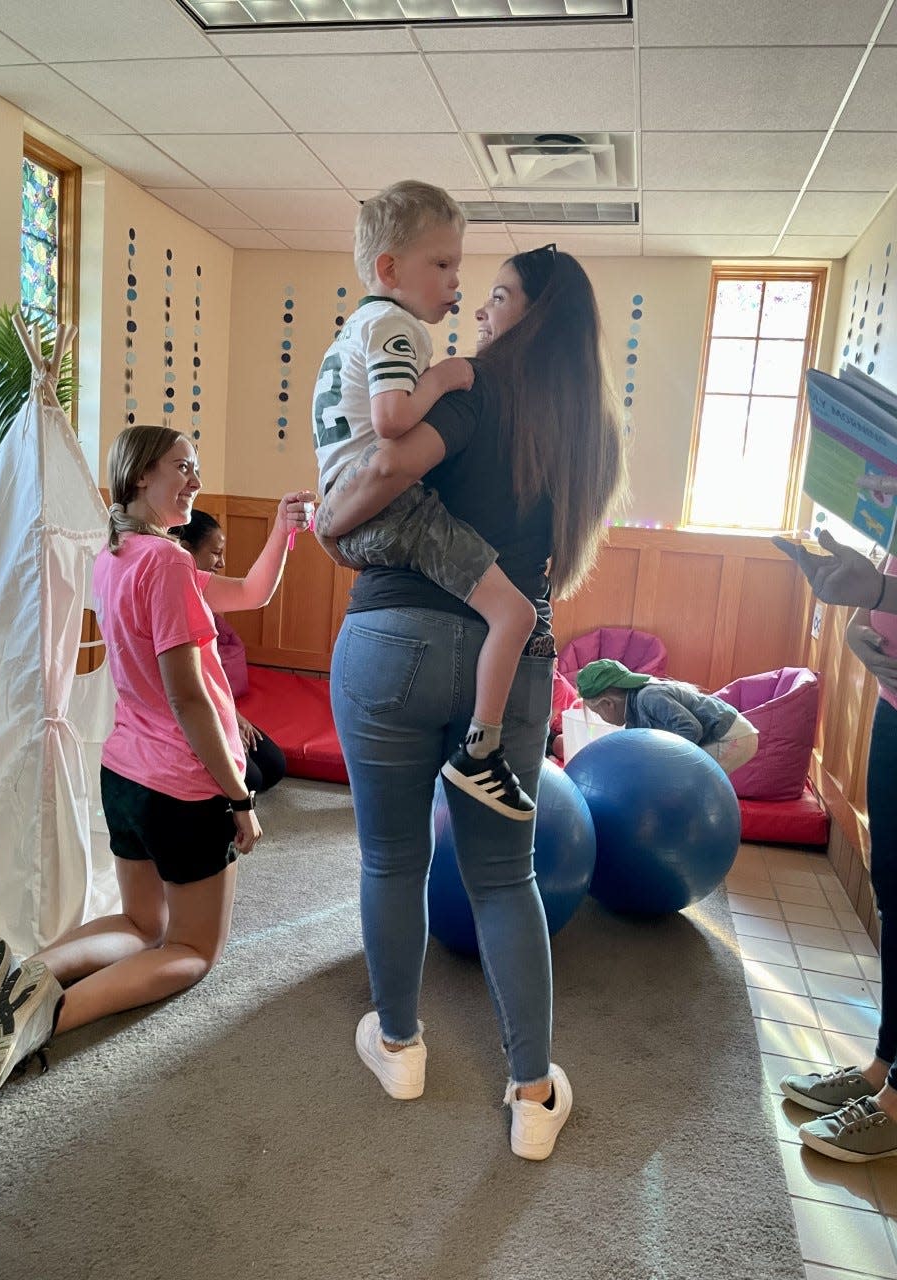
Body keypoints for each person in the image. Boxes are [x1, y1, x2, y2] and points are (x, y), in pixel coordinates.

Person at [315, 245, 625, 1160]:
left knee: (391, 860)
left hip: (393, 639)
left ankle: (400, 1048)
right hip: (514, 651)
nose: (482, 314)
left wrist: (332, 517)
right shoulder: (594, 429)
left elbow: (382, 473)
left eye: (498, 298)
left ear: (532, 316)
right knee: (504, 876)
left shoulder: (475, 386)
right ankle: (533, 1094)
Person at [0, 426, 314, 1109]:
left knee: (141, 923)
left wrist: (284, 533)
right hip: (183, 788)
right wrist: (239, 798)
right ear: (142, 476)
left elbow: (251, 594)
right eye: (184, 467)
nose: (196, 479)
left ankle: (18, 981)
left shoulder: (117, 554)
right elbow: (189, 695)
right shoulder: (168, 566)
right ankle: (41, 1020)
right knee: (193, 950)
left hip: (124, 776)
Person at [312, 179, 539, 821]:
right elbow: (390, 422)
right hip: (391, 513)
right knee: (516, 615)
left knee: (387, 857)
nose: (455, 284)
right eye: (441, 265)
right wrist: (445, 376)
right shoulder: (397, 327)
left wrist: (333, 523)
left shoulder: (356, 327)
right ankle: (481, 751)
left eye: (457, 267)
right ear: (389, 269)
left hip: (357, 512)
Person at [774, 525, 897, 1161]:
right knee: (892, 892)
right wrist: (865, 616)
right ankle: (883, 1068)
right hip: (894, 697)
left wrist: (880, 590)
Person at [171, 508, 287, 796]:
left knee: (273, 765)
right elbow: (185, 692)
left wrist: (234, 716)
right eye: (215, 553)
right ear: (186, 550)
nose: (221, 563)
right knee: (251, 781)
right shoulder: (172, 587)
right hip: (189, 712)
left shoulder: (200, 586)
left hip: (214, 703)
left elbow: (254, 593)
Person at [575, 658, 759, 775]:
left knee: (692, 780)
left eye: (597, 712)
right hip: (721, 736)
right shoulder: (634, 715)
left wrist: (664, 759)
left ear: (608, 703)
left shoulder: (648, 697)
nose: (599, 717)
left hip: (730, 736)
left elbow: (690, 728)